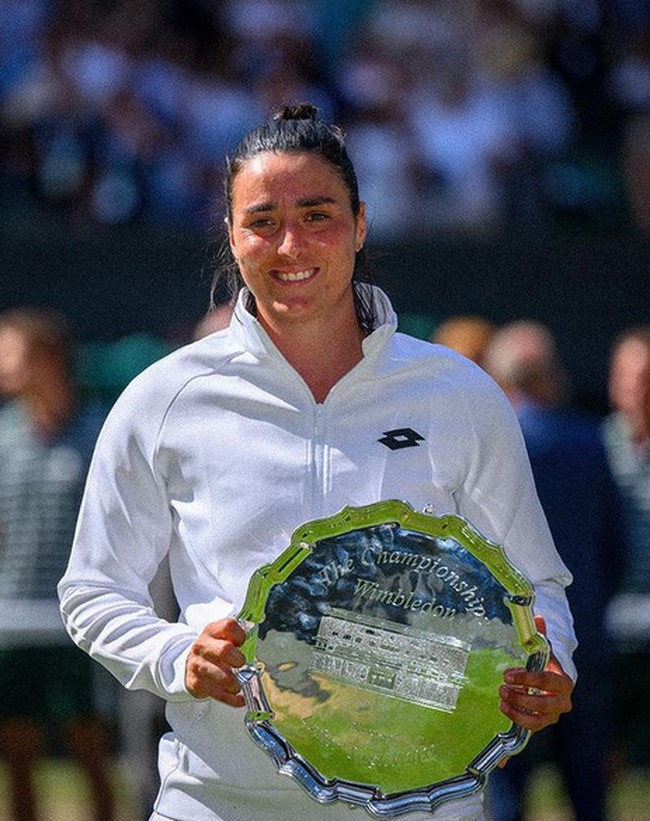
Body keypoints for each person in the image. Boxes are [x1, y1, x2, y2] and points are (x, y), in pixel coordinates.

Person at [58, 103, 576, 821]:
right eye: (263, 220)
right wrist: (179, 655)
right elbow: (93, 590)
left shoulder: (456, 393)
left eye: (317, 214)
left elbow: (536, 583)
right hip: (216, 802)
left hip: (425, 805)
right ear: (233, 237)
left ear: (361, 224)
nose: (291, 243)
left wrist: (552, 667)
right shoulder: (165, 398)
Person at [482, 321, 625, 821]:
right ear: (549, 376)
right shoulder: (588, 443)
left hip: (500, 650)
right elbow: (616, 544)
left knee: (503, 791)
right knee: (589, 792)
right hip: (583, 635)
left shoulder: (485, 448)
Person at [0, 308, 115, 821]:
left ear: (46, 358)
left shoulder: (98, 432)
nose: (3, 366)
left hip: (77, 619)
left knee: (90, 747)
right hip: (12, 619)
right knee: (17, 751)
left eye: (11, 353)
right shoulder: (3, 435)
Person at [602, 326, 650, 768]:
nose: (637, 388)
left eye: (646, 376)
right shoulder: (597, 446)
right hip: (609, 616)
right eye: (628, 375)